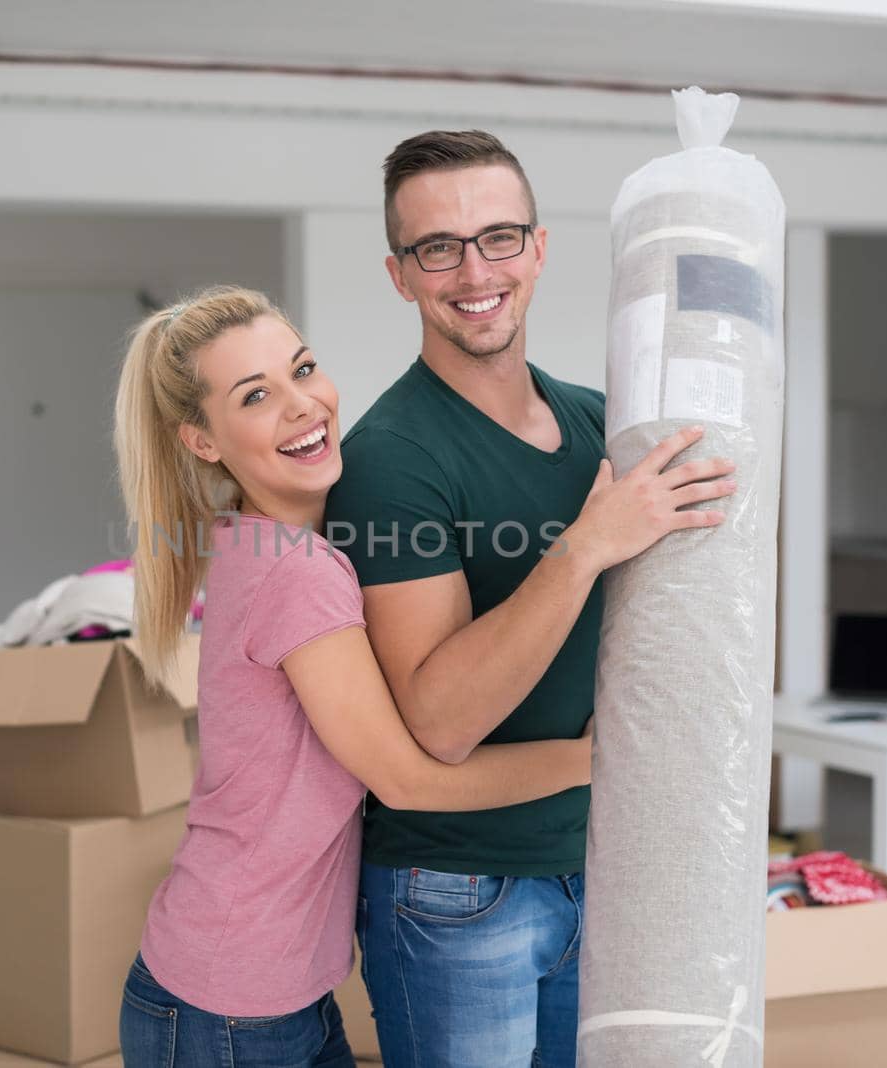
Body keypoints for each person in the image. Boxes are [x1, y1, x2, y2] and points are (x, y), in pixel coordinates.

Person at [322, 129, 738, 1066]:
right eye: (438, 247)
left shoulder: (602, 423)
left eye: (499, 237)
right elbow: (439, 721)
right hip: (457, 889)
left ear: (539, 251)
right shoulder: (391, 459)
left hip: (597, 862)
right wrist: (587, 544)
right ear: (400, 275)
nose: (475, 270)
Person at [113, 285, 595, 1068]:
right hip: (227, 1007)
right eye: (257, 396)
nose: (304, 405)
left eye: (303, 369)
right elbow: (408, 778)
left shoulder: (266, 542)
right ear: (202, 441)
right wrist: (596, 759)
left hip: (260, 988)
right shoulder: (294, 571)